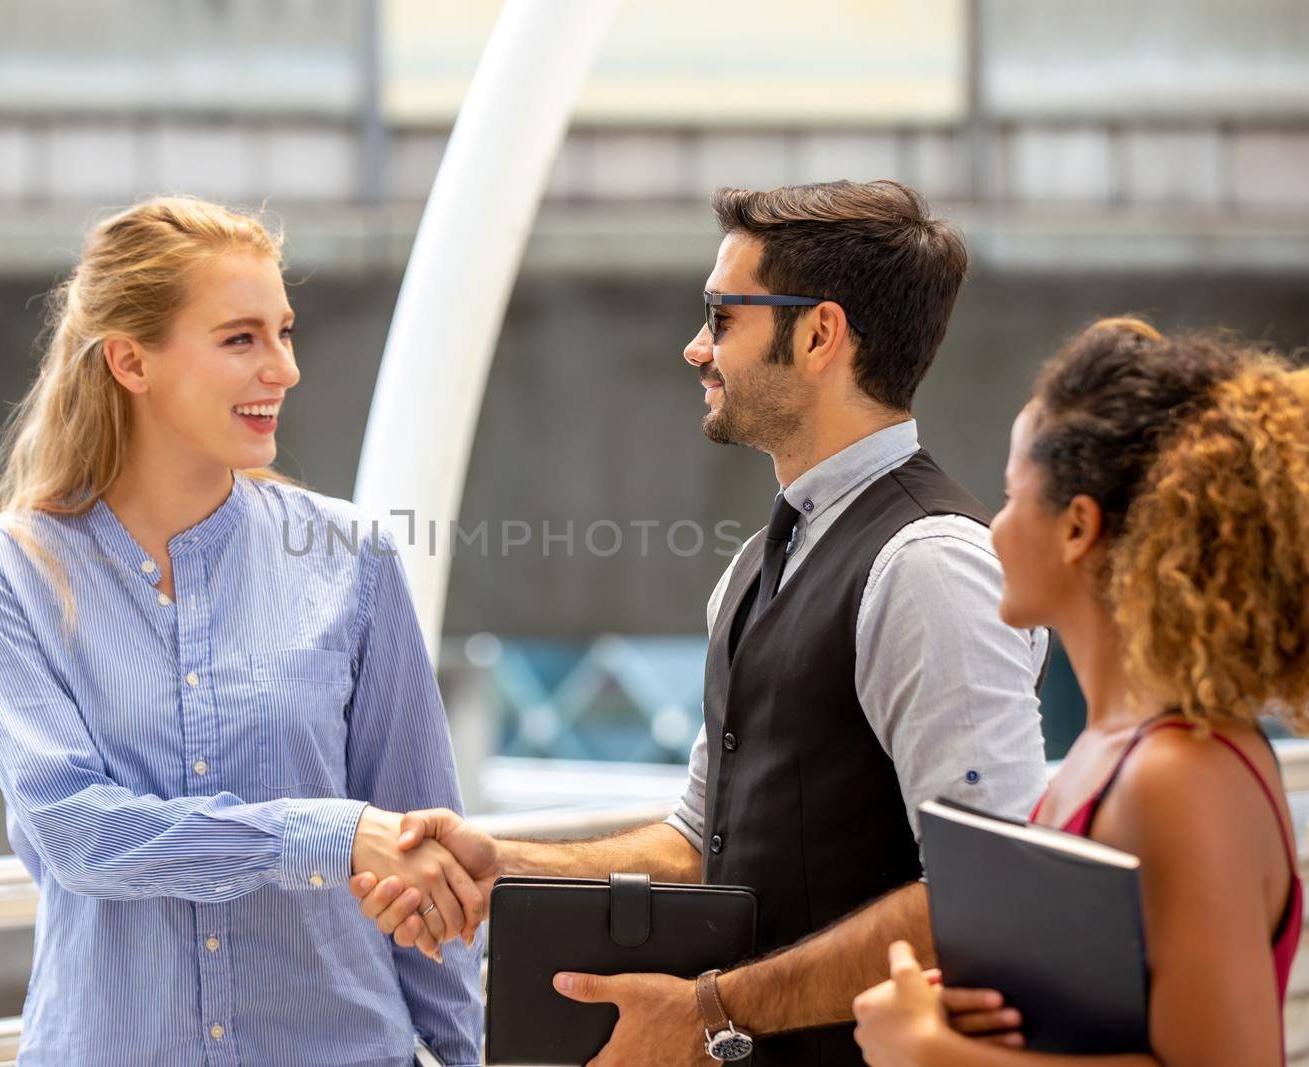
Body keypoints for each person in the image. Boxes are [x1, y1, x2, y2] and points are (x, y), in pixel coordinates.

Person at [352, 180, 1050, 1066]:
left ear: (820, 333)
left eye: (721, 316)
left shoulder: (930, 566)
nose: (694, 349)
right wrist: (507, 864)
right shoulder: (756, 565)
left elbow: (984, 894)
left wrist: (711, 1008)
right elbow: (701, 837)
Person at [0, 196, 485, 1066]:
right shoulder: (6, 570)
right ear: (130, 361)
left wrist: (463, 1054)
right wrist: (328, 831)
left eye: (285, 331)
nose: (285, 367)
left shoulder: (352, 558)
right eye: (241, 338)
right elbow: (77, 831)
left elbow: (428, 856)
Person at [851, 319, 1309, 1067]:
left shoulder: (1179, 778)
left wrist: (931, 1051)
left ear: (1077, 527)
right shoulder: (1115, 750)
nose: (992, 529)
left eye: (1008, 496)